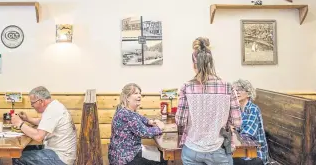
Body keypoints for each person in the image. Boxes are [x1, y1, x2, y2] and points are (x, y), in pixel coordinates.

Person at [175, 37, 242, 165]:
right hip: (218, 150)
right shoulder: (227, 87)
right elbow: (237, 122)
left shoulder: (186, 87)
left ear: (194, 65)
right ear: (211, 63)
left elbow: (180, 121)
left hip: (192, 149)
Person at [11, 86, 77, 165]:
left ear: (41, 101)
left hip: (61, 158)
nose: (32, 106)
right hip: (62, 154)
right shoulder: (55, 106)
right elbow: (43, 122)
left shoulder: (53, 110)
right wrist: (27, 119)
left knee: (18, 157)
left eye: (32, 103)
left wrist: (19, 123)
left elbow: (38, 136)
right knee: (26, 149)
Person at [108, 83, 167, 165]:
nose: (139, 95)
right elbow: (144, 132)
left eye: (140, 93)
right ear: (127, 97)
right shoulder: (127, 114)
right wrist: (160, 128)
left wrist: (149, 121)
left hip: (119, 155)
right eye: (135, 93)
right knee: (163, 158)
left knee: (159, 153)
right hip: (126, 158)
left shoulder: (123, 109)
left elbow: (139, 117)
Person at [232, 79, 269, 165]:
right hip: (242, 148)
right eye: (235, 89)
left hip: (255, 152)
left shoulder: (253, 109)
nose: (236, 92)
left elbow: (247, 136)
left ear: (248, 93)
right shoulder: (237, 109)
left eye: (240, 89)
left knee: (223, 157)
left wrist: (232, 134)